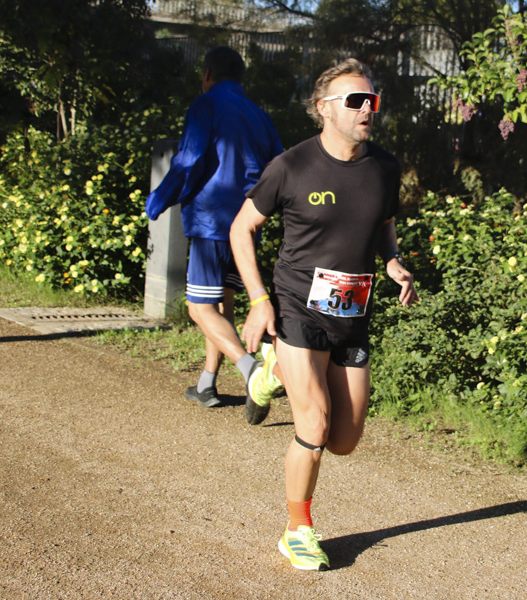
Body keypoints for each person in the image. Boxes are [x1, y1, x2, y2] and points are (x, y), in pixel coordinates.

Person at [228, 58, 419, 571]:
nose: (367, 109)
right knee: (313, 424)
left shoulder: (384, 166)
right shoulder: (291, 167)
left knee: (345, 440)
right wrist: (258, 300)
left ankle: (271, 371)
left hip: (353, 314)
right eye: (355, 100)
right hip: (296, 307)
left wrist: (394, 260)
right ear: (323, 109)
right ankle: (298, 530)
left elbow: (383, 222)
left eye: (371, 100)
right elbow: (241, 229)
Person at [145, 46, 285, 414]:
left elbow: (188, 159)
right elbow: (279, 166)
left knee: (198, 307)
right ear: (241, 79)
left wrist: (158, 200)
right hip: (247, 224)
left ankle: (252, 369)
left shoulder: (204, 105)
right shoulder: (260, 115)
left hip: (211, 222)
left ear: (207, 74)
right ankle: (207, 383)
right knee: (222, 301)